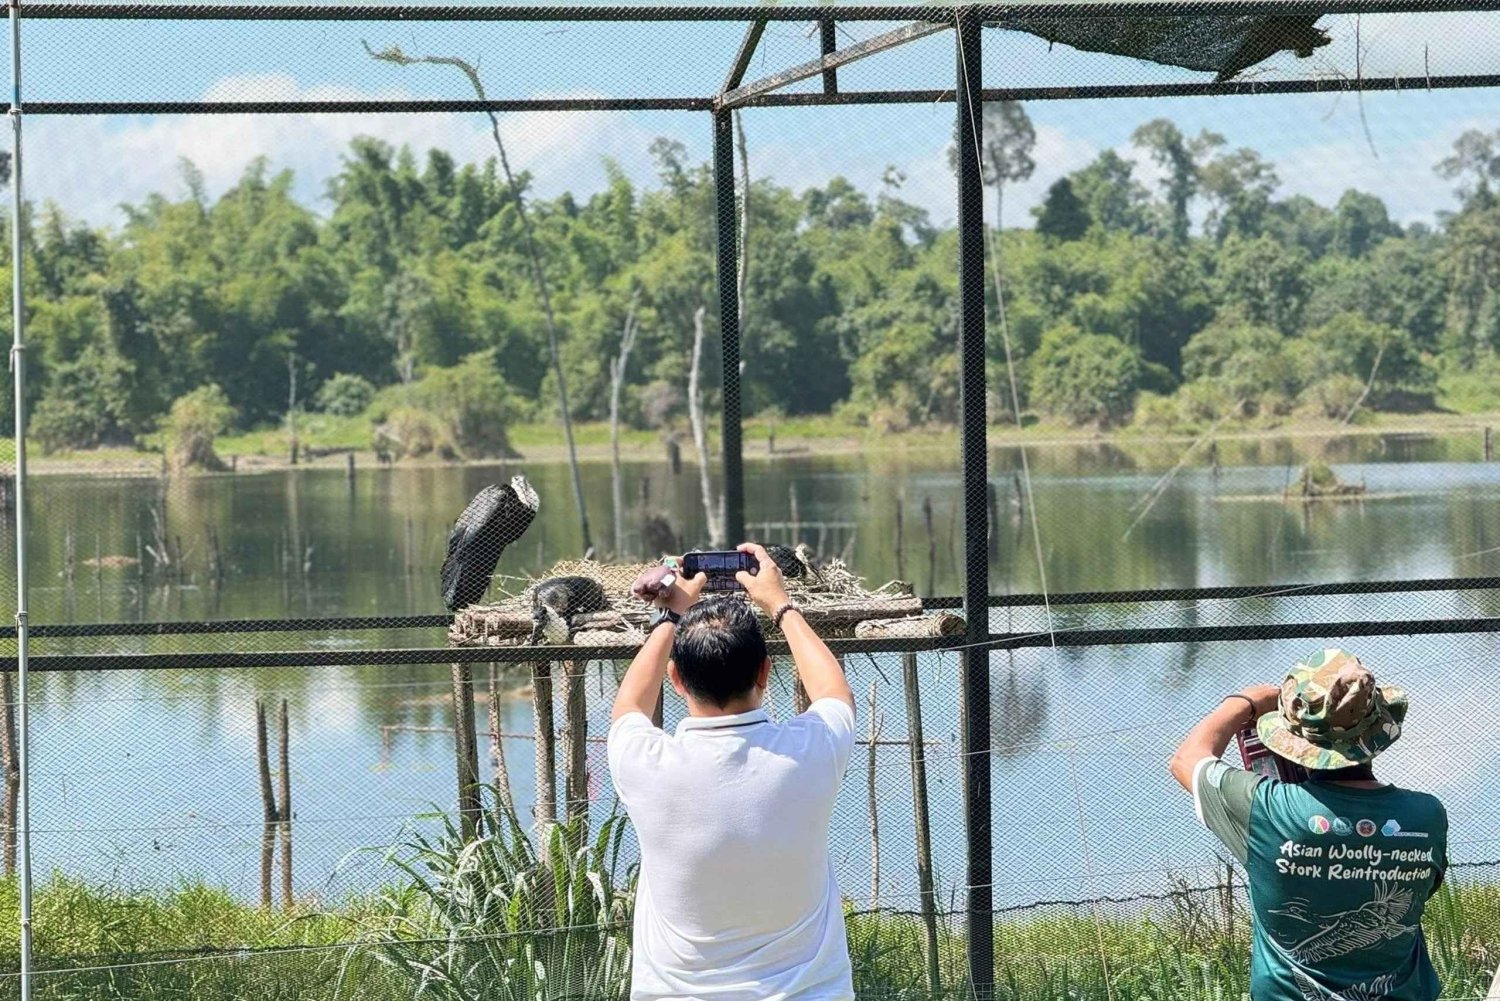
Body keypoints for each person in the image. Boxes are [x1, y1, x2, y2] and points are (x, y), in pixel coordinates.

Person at [608, 542, 857, 1001]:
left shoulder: (646, 766)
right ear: (765, 672)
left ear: (676, 679)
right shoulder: (809, 753)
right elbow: (833, 691)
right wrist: (780, 605)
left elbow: (628, 706)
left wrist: (671, 616)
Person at [1170, 648, 1449, 1001]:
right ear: (1376, 731)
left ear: (1294, 741)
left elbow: (1187, 759)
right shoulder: (1426, 816)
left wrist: (1247, 702)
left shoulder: (1266, 809)